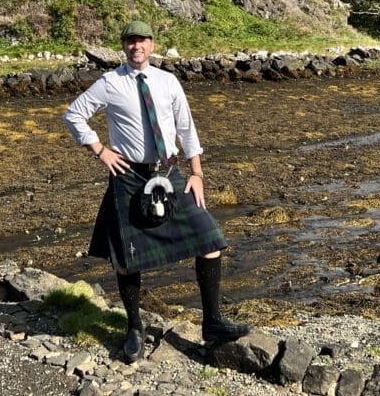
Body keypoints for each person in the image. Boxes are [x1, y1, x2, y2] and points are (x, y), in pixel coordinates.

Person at [64, 20, 249, 363]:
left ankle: (212, 323)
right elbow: (74, 115)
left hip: (169, 173)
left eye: (143, 41)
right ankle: (134, 327)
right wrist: (100, 150)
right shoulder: (110, 83)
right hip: (129, 178)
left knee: (209, 238)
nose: (137, 47)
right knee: (126, 259)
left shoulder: (168, 81)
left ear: (152, 44)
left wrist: (196, 172)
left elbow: (185, 127)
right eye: (131, 41)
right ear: (124, 46)